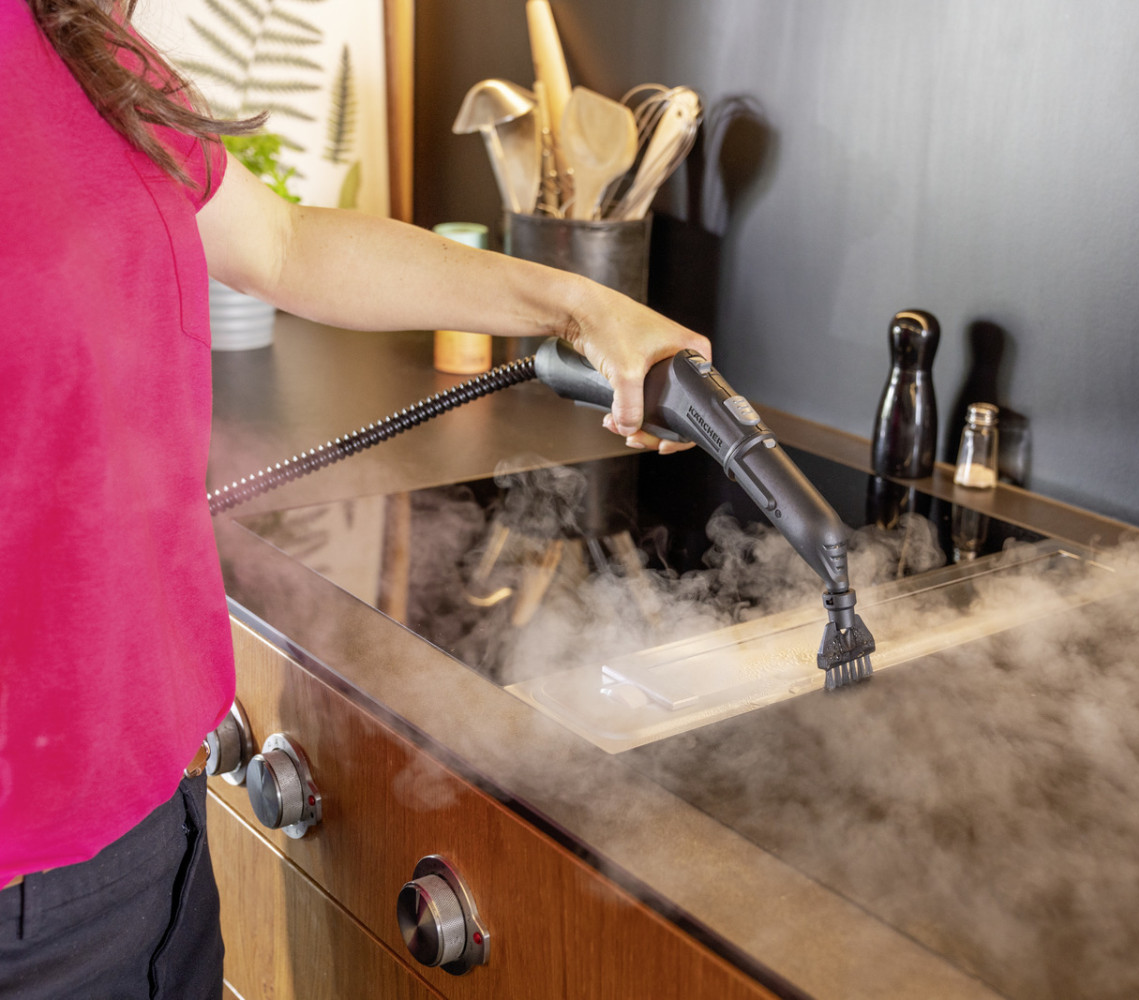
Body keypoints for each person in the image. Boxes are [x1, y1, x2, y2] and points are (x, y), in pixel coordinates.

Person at [0, 0, 709, 996]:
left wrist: (581, 305)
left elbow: (285, 245)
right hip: (34, 889)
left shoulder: (82, 48)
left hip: (148, 808)